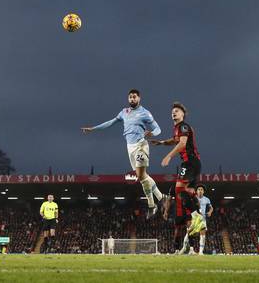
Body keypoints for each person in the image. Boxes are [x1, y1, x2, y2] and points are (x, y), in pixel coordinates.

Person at [81, 89, 167, 219]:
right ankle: (161, 198)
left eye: (134, 97)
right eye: (130, 97)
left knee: (140, 175)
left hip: (141, 145)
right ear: (128, 99)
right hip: (130, 147)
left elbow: (158, 129)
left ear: (139, 98)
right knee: (143, 177)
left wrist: (152, 133)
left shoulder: (145, 113)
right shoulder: (124, 112)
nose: (132, 99)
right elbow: (110, 123)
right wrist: (93, 129)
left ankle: (152, 205)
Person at [150, 102, 202, 252]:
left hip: (190, 162)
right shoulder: (178, 129)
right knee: (187, 192)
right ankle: (194, 217)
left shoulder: (183, 126)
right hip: (194, 164)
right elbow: (174, 140)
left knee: (179, 189)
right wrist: (160, 143)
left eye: (177, 111)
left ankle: (196, 216)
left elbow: (182, 144)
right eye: (172, 111)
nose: (174, 113)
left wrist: (169, 156)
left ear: (182, 114)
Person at [179, 185, 213, 255]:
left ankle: (201, 252)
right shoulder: (193, 198)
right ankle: (183, 248)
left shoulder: (207, 199)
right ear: (196, 191)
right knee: (189, 233)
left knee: (202, 234)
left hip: (202, 218)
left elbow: (211, 208)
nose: (200, 191)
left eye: (201, 190)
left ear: (203, 191)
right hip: (193, 218)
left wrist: (210, 212)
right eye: (199, 189)